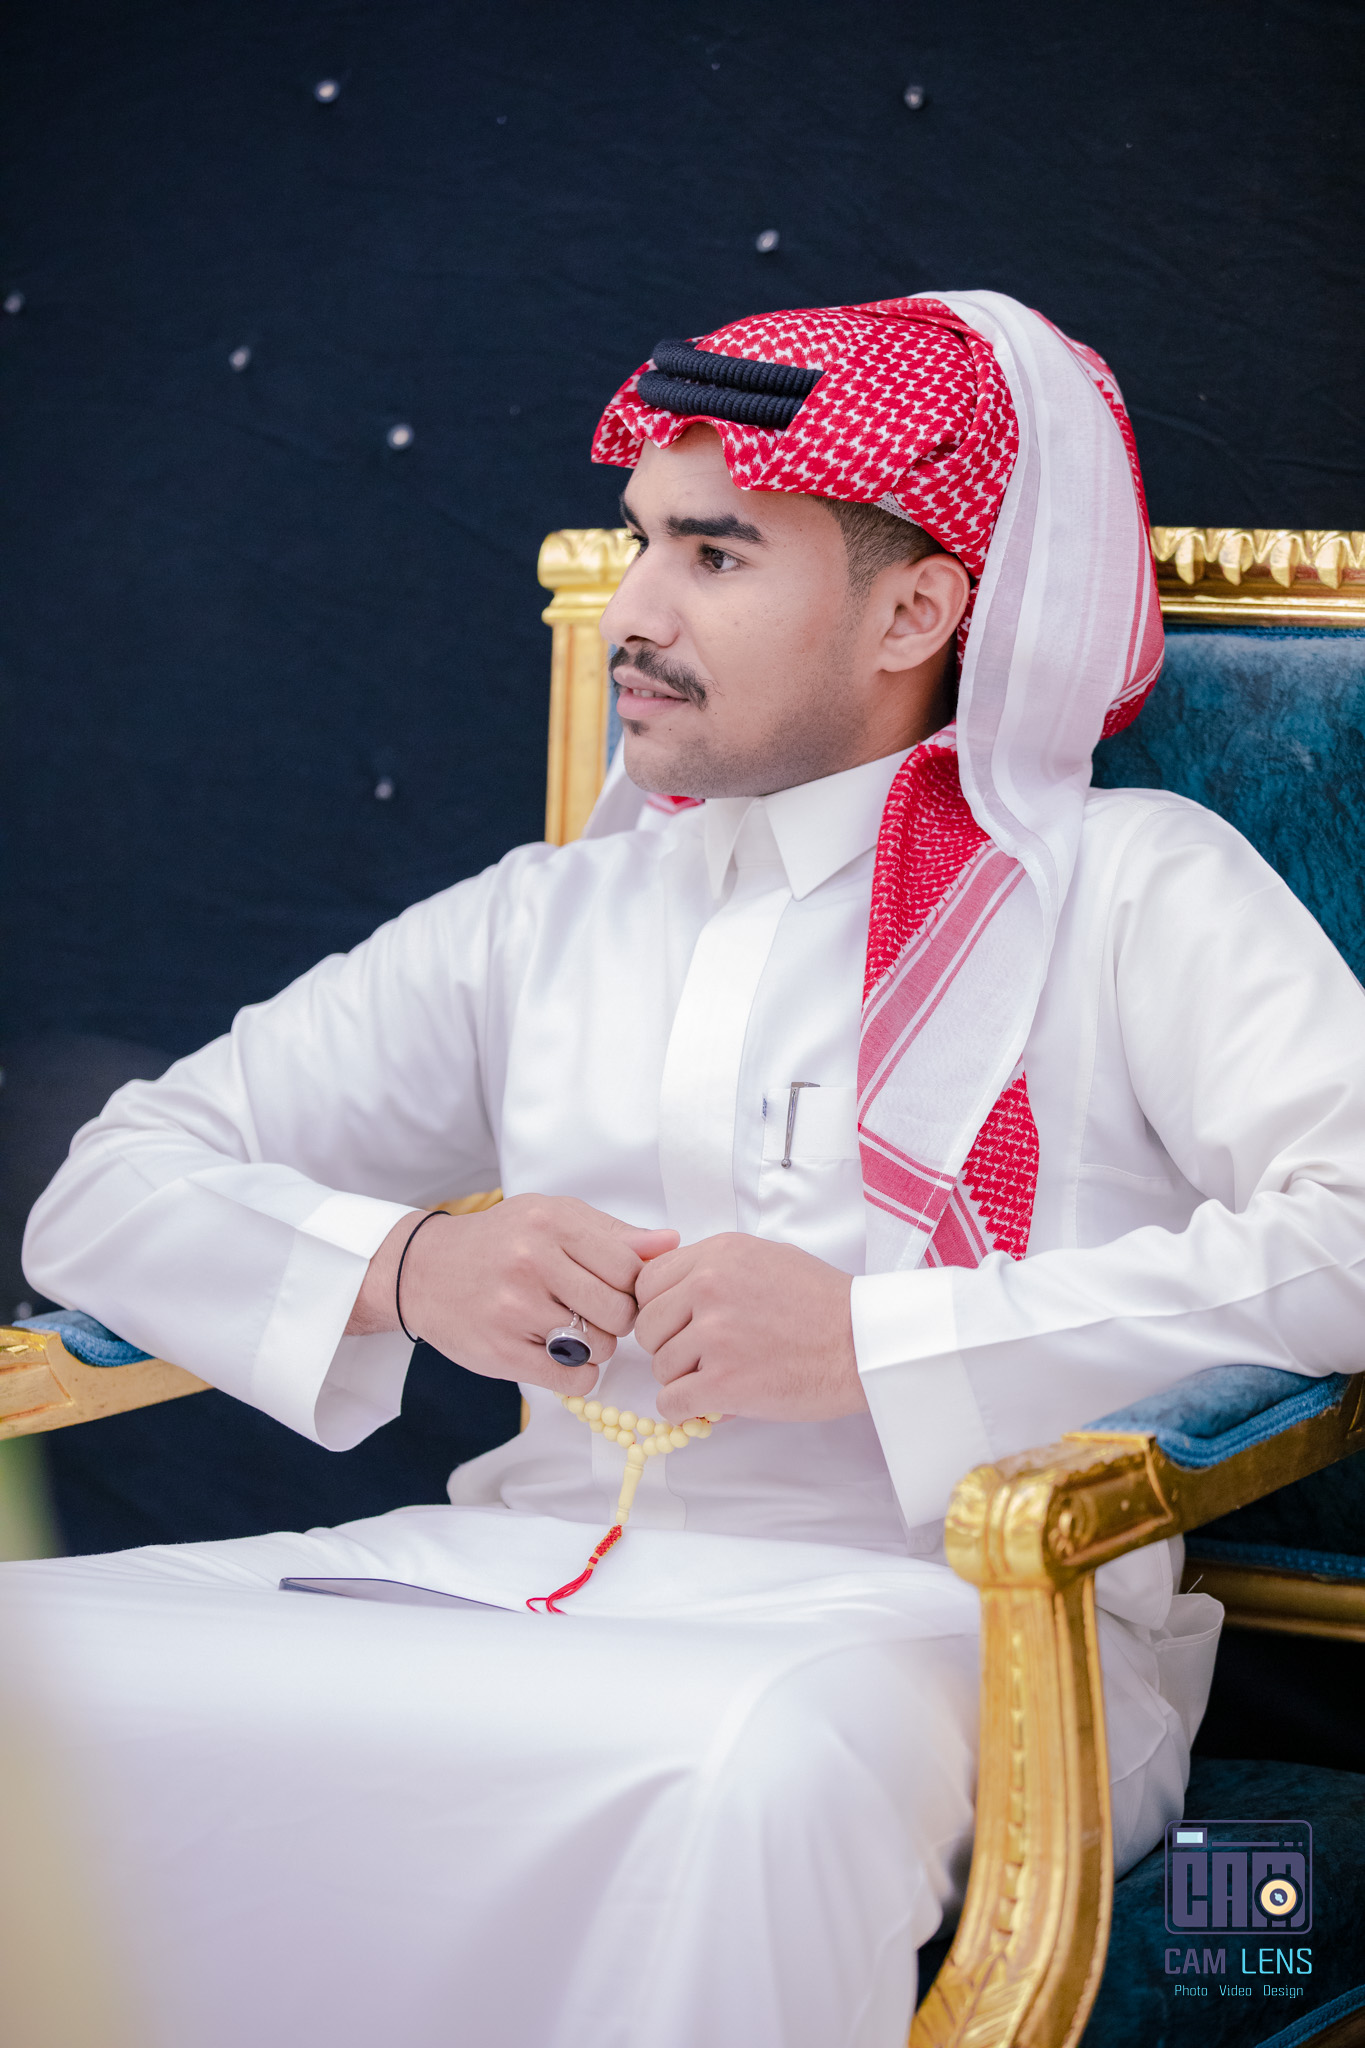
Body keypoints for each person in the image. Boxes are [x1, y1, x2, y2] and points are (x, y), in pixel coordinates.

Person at [9, 291, 1365, 2048]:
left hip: (956, 1630)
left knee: (746, 1771)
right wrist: (408, 1269)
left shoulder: (1128, 887)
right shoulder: (548, 914)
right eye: (642, 539)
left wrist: (874, 1343)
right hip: (515, 1578)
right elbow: (108, 1191)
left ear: (916, 610)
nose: (632, 611)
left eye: (713, 556)